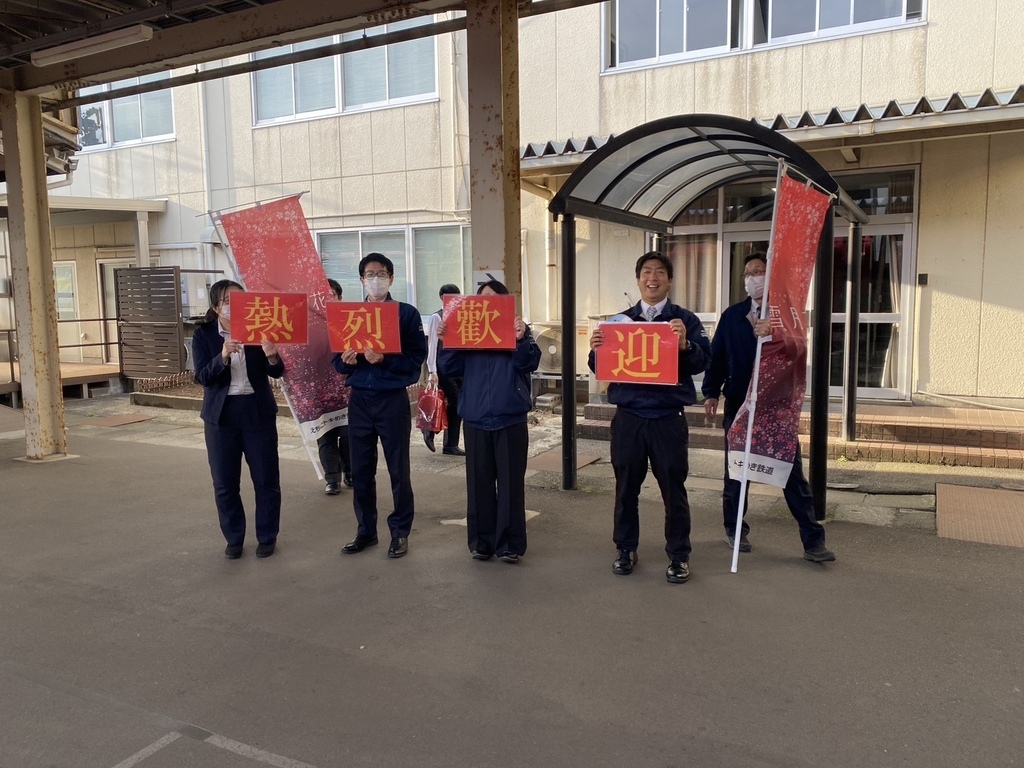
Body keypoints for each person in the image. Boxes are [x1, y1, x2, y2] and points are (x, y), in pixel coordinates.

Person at [702, 252, 836, 563]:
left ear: (770, 276)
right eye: (748, 273)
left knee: (790, 473)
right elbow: (718, 356)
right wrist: (711, 392)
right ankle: (735, 529)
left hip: (775, 408)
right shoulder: (732, 315)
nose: (753, 277)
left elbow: (799, 349)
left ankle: (813, 541)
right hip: (739, 404)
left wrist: (773, 332)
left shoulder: (785, 314)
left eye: (759, 271)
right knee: (736, 473)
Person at [588, 252, 711, 584]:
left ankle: (679, 555)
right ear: (638, 279)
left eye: (659, 272)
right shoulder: (619, 322)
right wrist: (595, 348)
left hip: (668, 419)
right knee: (626, 488)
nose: (652, 278)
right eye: (646, 272)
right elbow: (601, 366)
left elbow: (702, 363)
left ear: (669, 280)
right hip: (628, 418)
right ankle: (626, 549)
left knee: (673, 489)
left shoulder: (683, 320)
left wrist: (685, 345)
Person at [438, 279, 541, 563]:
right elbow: (448, 368)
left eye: (495, 299)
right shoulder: (465, 330)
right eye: (482, 299)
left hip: (510, 417)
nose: (487, 305)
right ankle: (482, 542)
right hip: (475, 417)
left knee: (510, 485)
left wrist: (521, 338)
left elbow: (529, 363)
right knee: (479, 483)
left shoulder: (519, 329)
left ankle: (509, 545)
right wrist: (445, 341)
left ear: (505, 304)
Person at [333, 254, 426, 559]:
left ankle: (400, 531)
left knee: (398, 469)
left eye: (381, 274)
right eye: (370, 274)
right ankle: (366, 530)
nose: (376, 279)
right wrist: (346, 361)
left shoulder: (405, 315)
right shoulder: (348, 315)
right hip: (359, 400)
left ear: (391, 279)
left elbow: (415, 363)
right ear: (361, 280)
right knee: (361, 470)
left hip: (391, 400)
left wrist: (384, 359)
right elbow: (337, 362)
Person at [192, 279, 284, 559]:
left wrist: (271, 356)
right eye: (227, 301)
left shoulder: (260, 327)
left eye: (239, 299)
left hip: (257, 411)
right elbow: (202, 377)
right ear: (215, 307)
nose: (234, 305)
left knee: (266, 478)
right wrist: (222, 356)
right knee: (225, 481)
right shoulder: (204, 335)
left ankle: (267, 536)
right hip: (221, 416)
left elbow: (278, 372)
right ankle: (234, 537)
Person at [318, 279, 353, 495]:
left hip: (347, 389)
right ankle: (332, 478)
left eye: (331, 295)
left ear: (339, 297)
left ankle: (350, 472)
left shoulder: (350, 321)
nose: (327, 301)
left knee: (350, 435)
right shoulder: (309, 327)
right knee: (325, 436)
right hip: (318, 392)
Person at [422, 283, 465, 456]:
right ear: (442, 298)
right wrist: (432, 370)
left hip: (459, 367)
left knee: (455, 403)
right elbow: (432, 344)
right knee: (451, 402)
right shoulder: (436, 317)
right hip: (442, 368)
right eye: (450, 297)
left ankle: (448, 442)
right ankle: (435, 434)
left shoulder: (461, 316)